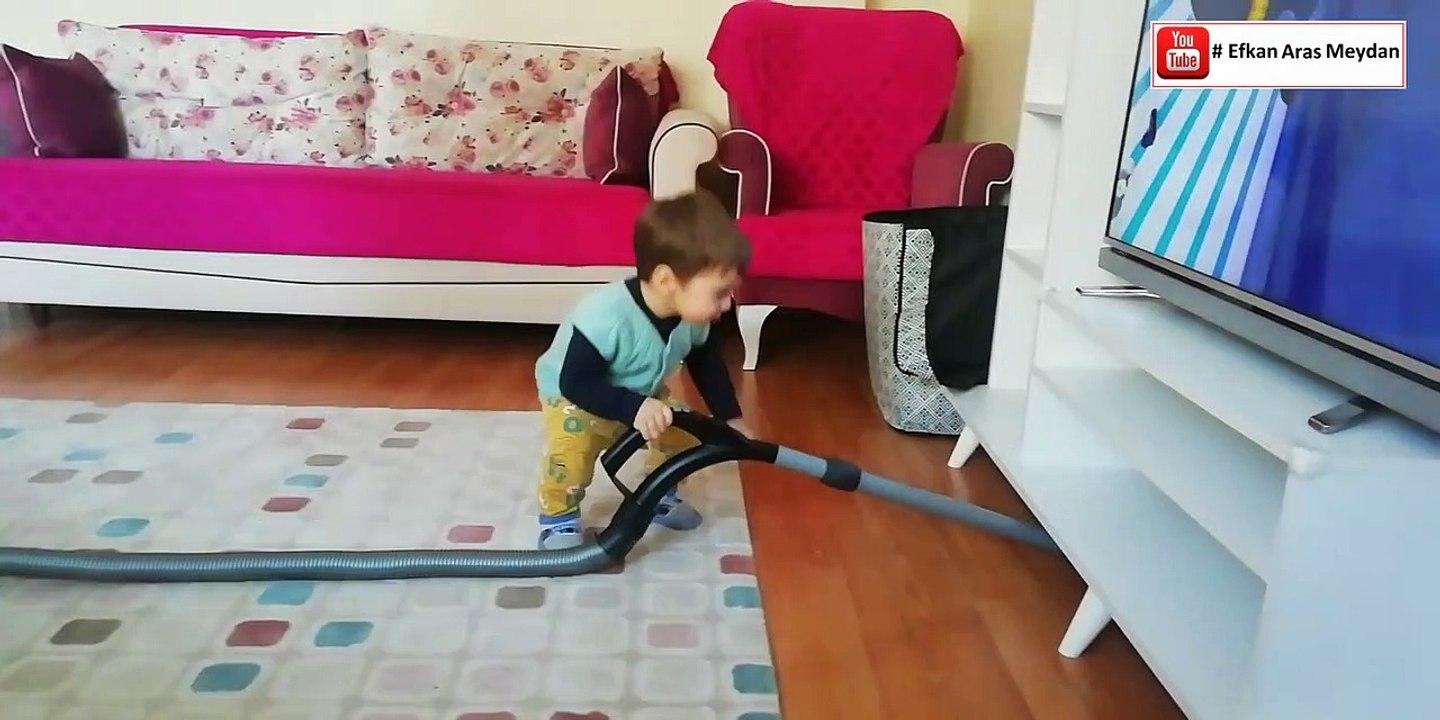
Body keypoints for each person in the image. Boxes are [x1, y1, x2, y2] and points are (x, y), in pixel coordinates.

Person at [532, 190, 753, 550]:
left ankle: (658, 490)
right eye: (720, 292)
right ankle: (558, 517)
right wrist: (633, 408)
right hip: (575, 396)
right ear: (667, 280)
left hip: (639, 390)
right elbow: (575, 382)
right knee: (572, 451)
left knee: (687, 431)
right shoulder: (606, 316)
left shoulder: (693, 318)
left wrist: (728, 417)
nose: (728, 304)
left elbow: (705, 362)